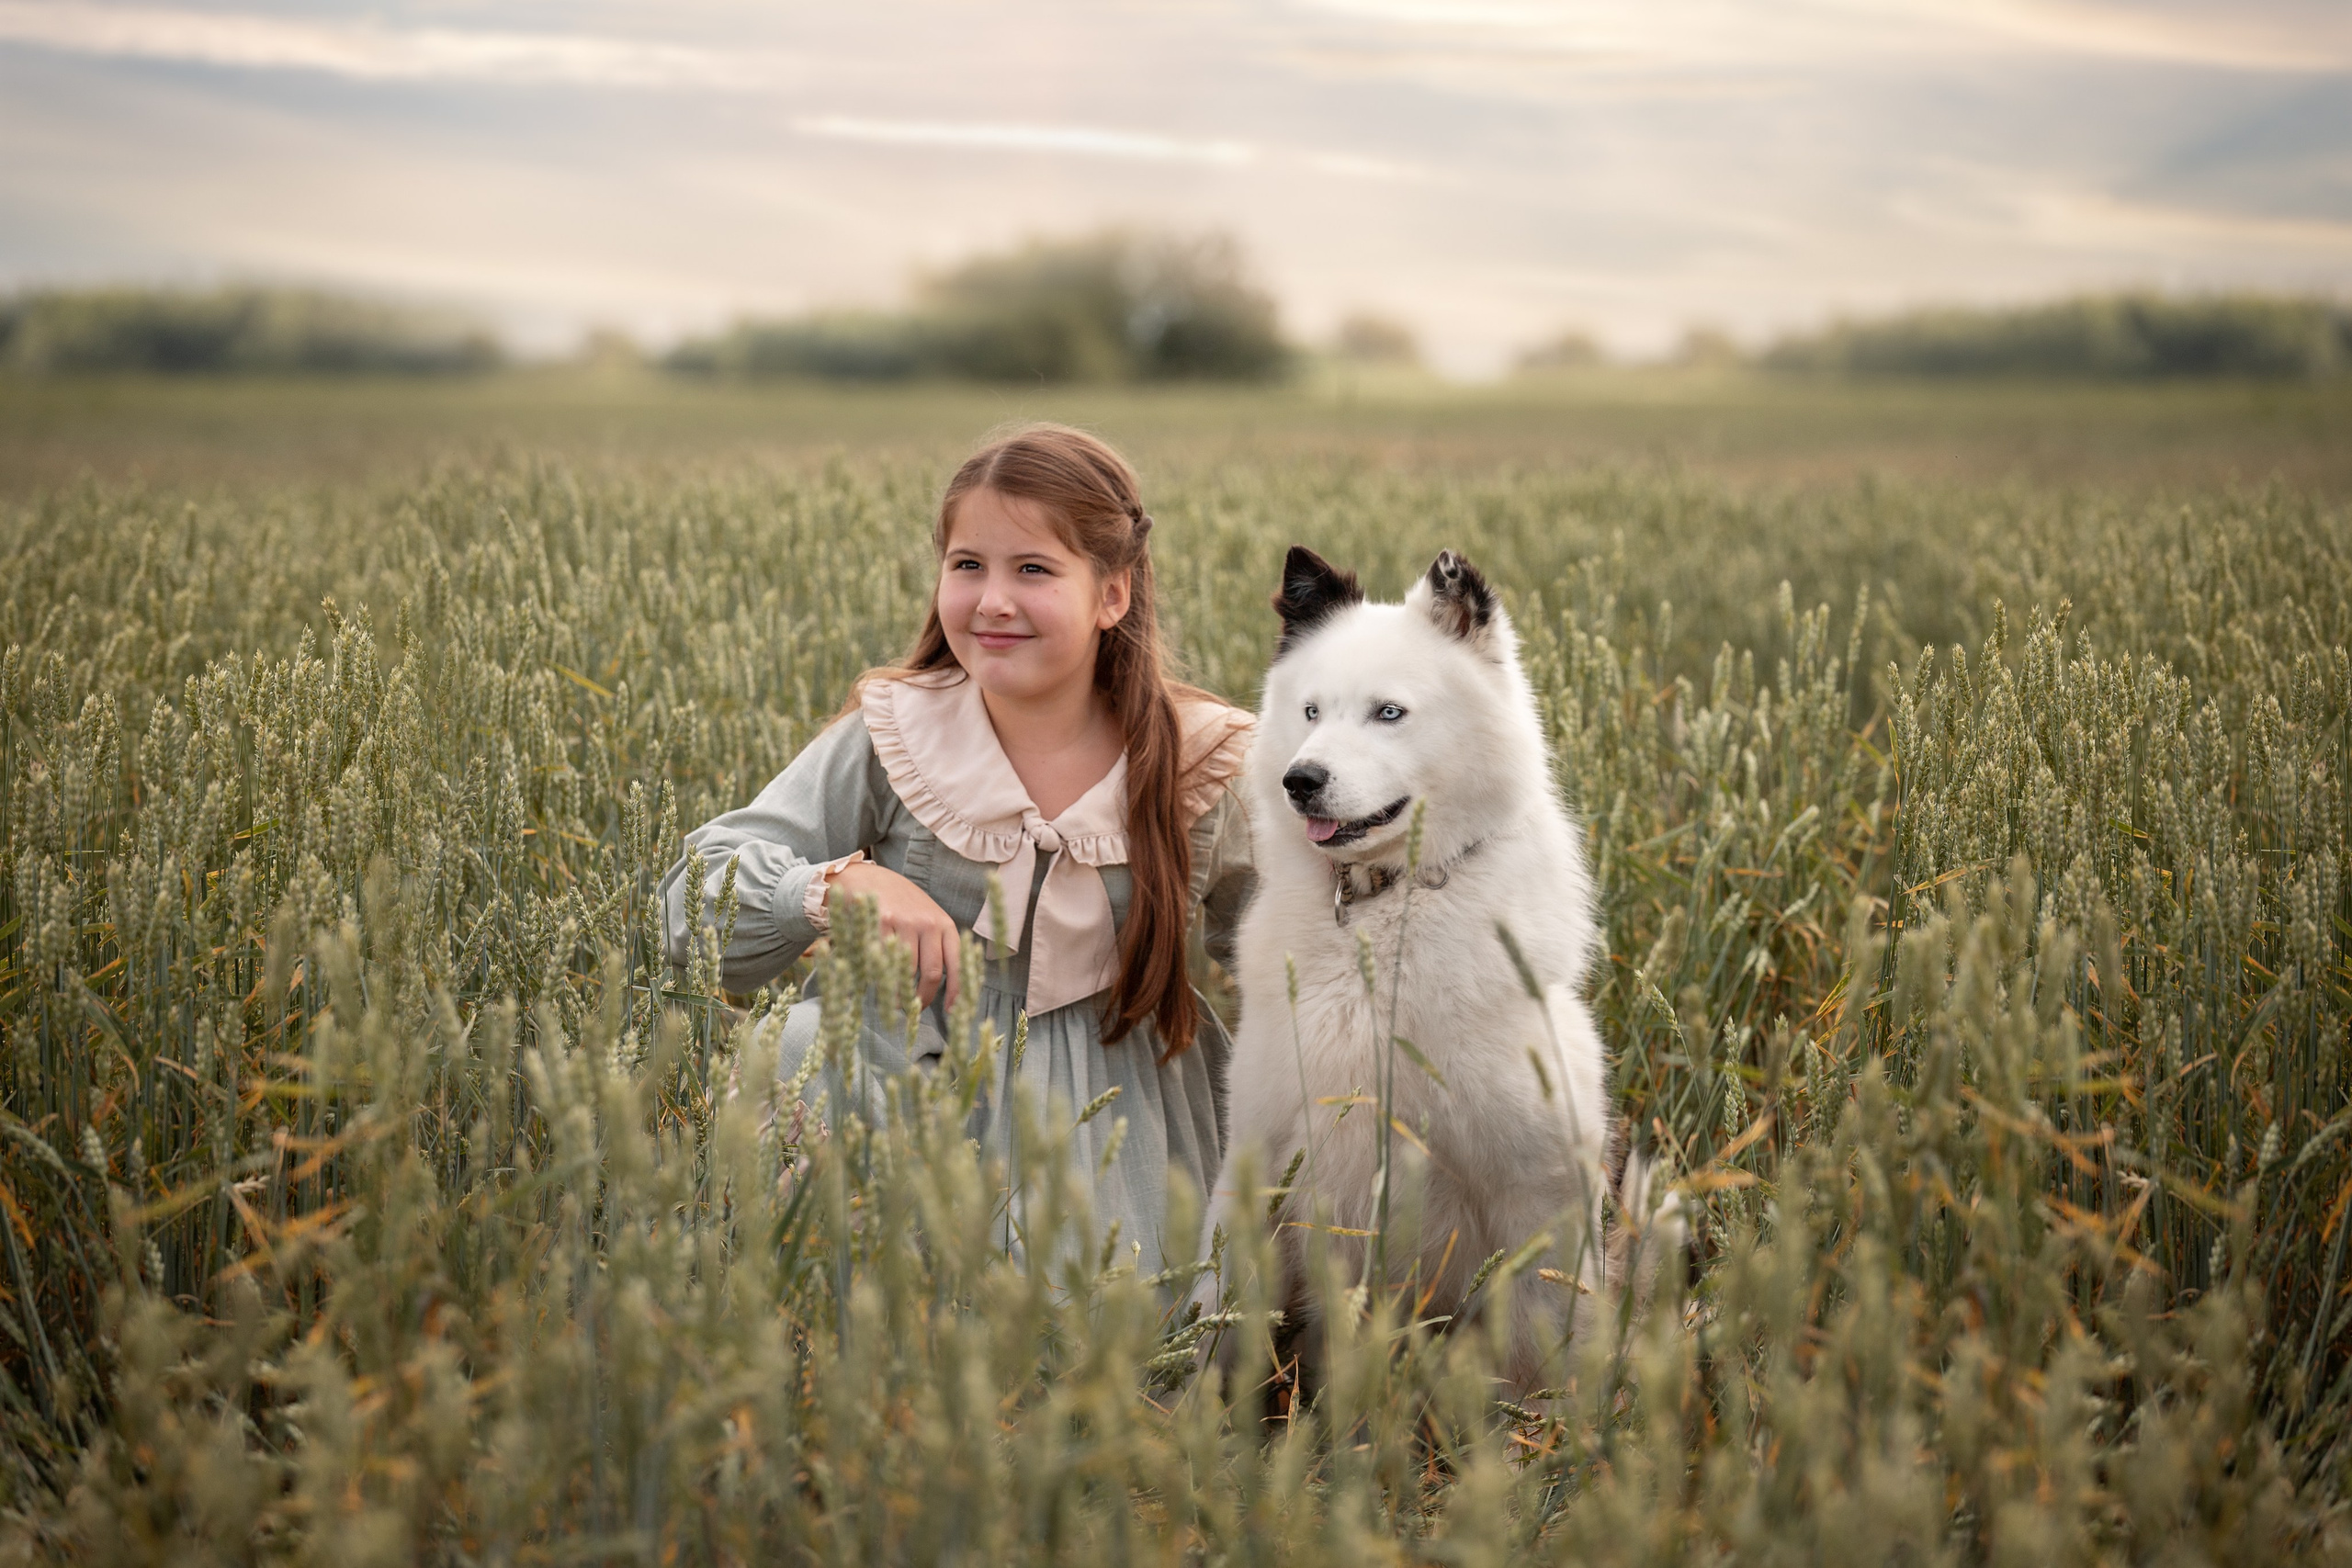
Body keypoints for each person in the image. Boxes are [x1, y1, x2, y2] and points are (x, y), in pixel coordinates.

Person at [661, 423, 1255, 1279]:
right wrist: (841, 886)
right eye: (967, 564)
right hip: (895, 1070)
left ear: (1112, 594)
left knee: (1102, 1333)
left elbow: (1306, 952)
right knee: (865, 1297)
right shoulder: (898, 732)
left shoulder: (1200, 758)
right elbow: (691, 904)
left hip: (1120, 1108)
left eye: (1034, 569)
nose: (993, 600)